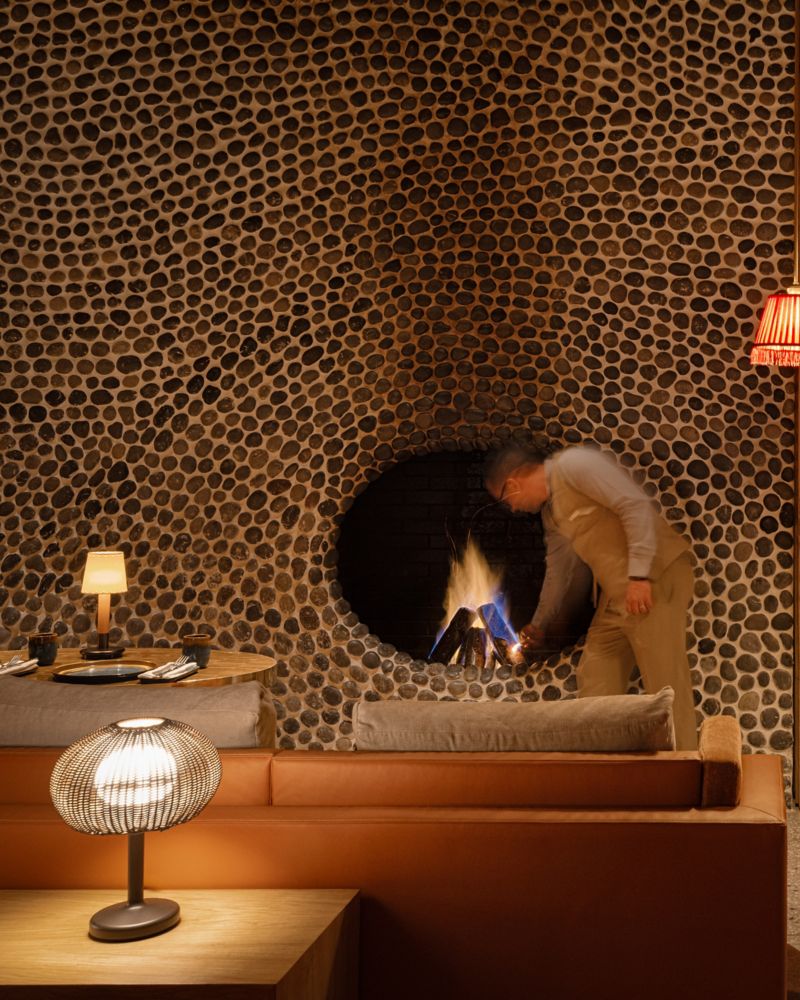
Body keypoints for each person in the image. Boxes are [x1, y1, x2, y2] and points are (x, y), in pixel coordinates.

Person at [485, 443, 698, 750]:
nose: (513, 508)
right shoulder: (551, 514)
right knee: (596, 675)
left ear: (514, 482)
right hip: (616, 595)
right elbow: (559, 571)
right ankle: (602, 767)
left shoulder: (574, 465)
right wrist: (539, 623)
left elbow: (634, 505)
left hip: (655, 577)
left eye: (506, 500)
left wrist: (640, 575)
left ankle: (685, 766)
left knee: (666, 680)